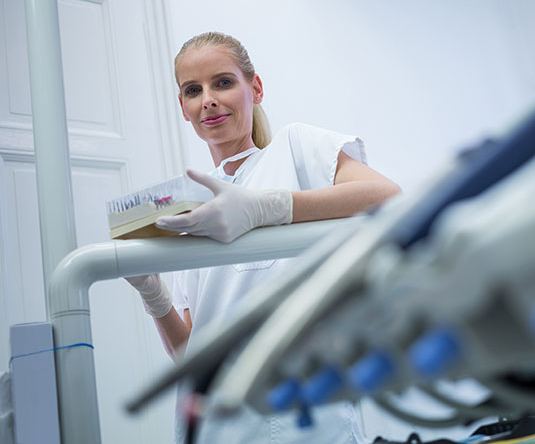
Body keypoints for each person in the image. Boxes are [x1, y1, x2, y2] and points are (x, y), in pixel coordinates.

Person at [126, 31, 401, 443]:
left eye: (223, 82)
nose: (208, 100)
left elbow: (386, 197)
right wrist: (152, 294)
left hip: (300, 420)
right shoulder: (192, 207)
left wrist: (268, 208)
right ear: (183, 108)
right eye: (192, 90)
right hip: (212, 426)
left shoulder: (292, 149)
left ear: (254, 87)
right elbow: (191, 353)